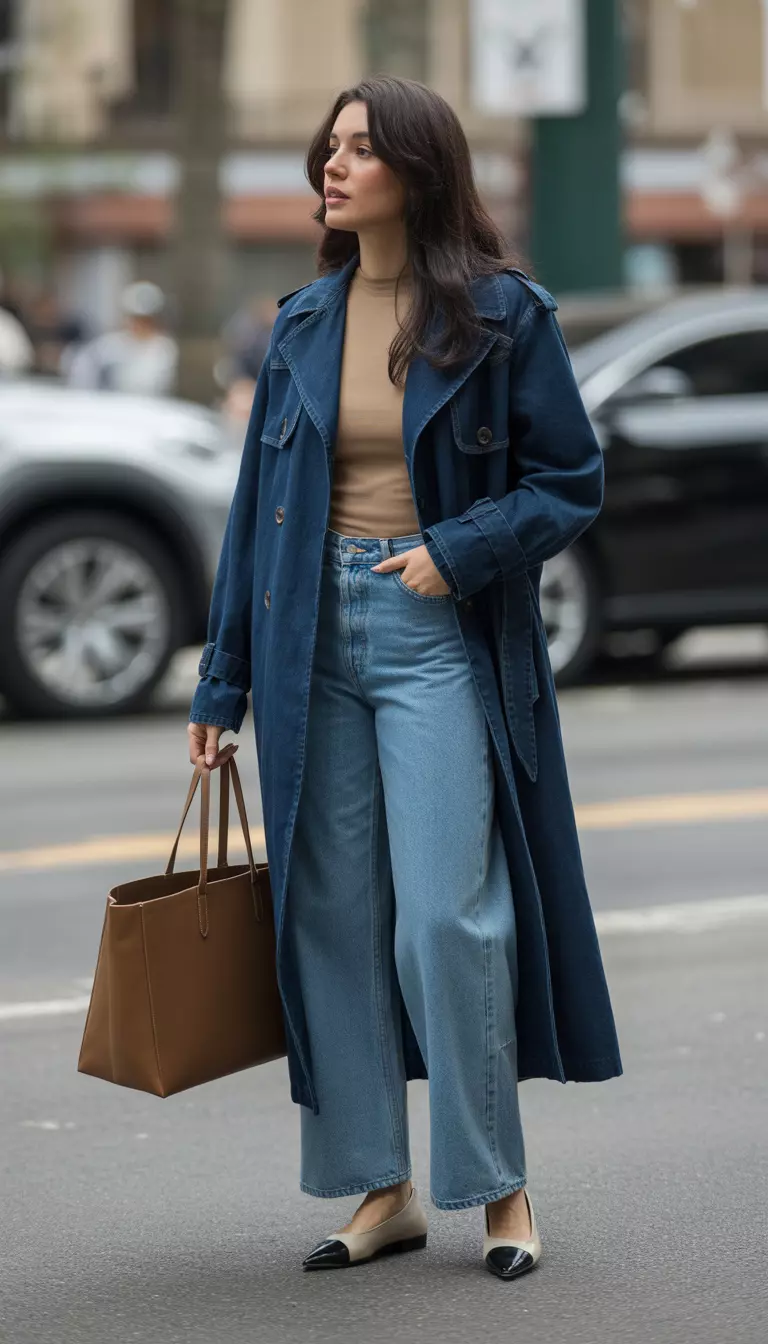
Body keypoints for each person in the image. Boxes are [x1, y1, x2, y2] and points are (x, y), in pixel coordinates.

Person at [187, 76, 621, 1280]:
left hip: (435, 631)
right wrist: (220, 688)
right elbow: (255, 516)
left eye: (361, 149)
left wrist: (456, 552)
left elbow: (569, 482)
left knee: (446, 918)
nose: (334, 166)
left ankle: (498, 1189)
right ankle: (382, 1190)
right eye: (329, 148)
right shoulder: (301, 324)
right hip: (305, 641)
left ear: (419, 170)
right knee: (330, 918)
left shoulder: (501, 317)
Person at [66, 280, 178, 396]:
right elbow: (83, 366)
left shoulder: (164, 348)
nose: (139, 326)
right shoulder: (112, 344)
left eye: (145, 321)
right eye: (135, 320)